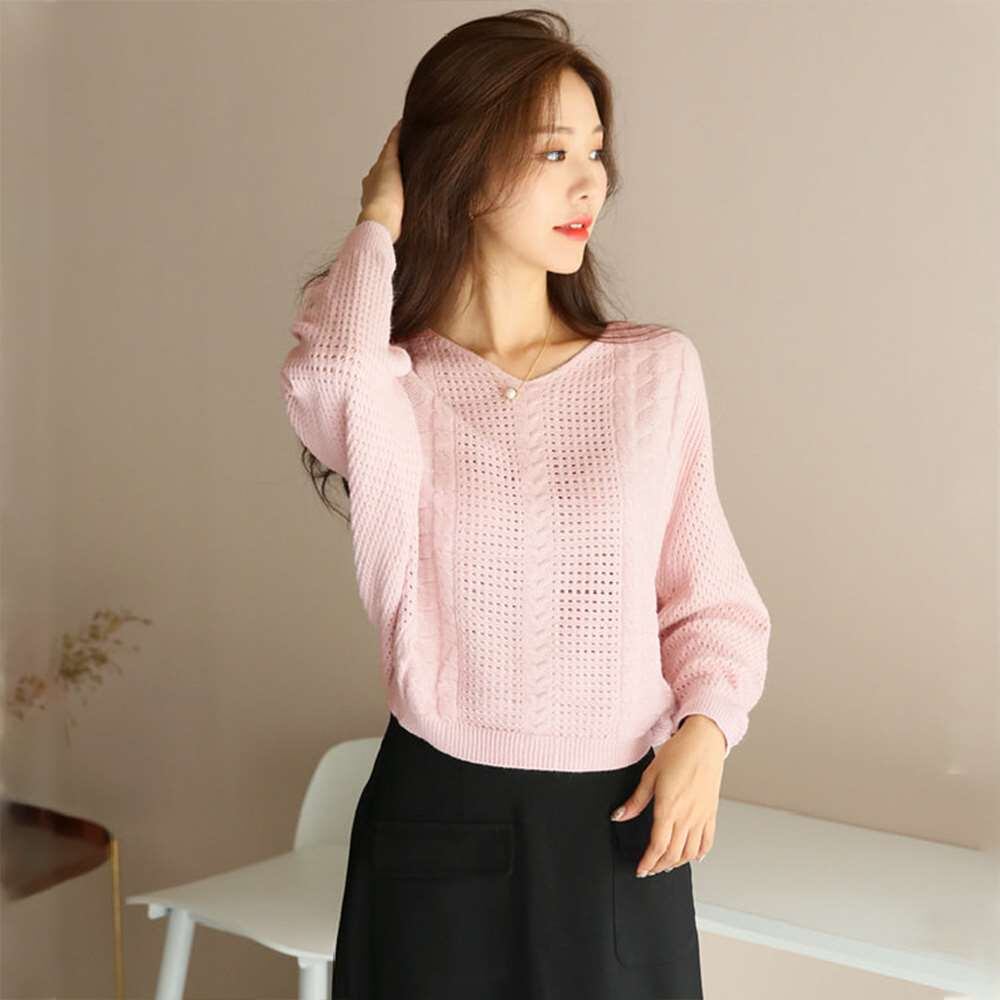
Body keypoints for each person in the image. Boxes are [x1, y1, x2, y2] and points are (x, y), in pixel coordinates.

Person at [279, 10, 771, 999]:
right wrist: (380, 215)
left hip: (618, 815)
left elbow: (710, 599)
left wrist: (707, 733)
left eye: (595, 151)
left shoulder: (654, 373)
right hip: (437, 809)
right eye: (552, 152)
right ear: (462, 168)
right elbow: (331, 373)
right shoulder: (395, 385)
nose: (590, 183)